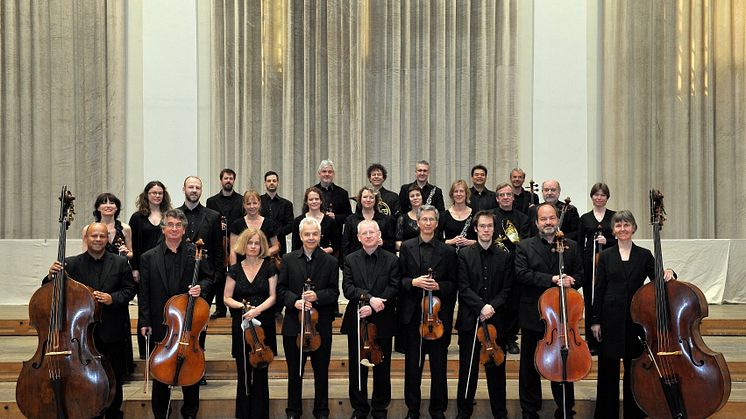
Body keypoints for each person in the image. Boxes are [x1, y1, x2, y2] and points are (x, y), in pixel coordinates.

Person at [590, 210, 676, 419]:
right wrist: (595, 321)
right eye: (618, 225)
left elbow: (658, 280)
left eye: (626, 225)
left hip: (636, 319)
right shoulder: (605, 256)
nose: (622, 229)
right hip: (610, 319)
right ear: (613, 230)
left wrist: (670, 272)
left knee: (634, 371)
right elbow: (598, 289)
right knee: (608, 371)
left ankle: (634, 413)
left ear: (634, 228)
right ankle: (605, 414)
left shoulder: (644, 255)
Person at [46, 223, 137, 419]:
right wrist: (50, 275)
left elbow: (130, 290)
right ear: (86, 238)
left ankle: (113, 414)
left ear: (107, 239)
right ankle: (88, 412)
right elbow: (51, 291)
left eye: (102, 236)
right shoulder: (70, 264)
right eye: (93, 236)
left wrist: (112, 298)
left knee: (114, 379)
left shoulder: (120, 263)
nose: (97, 239)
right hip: (81, 336)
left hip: (112, 332)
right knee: (84, 379)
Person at [138, 209, 214, 419]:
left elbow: (209, 277)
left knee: (191, 372)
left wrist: (201, 288)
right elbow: (143, 291)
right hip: (161, 324)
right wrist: (144, 320)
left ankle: (190, 413)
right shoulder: (148, 257)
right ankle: (161, 414)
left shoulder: (195, 253)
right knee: (161, 373)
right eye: (170, 225)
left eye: (178, 225)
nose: (174, 229)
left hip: (189, 323)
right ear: (163, 229)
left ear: (184, 229)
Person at [515, 203, 584, 419]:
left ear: (557, 220)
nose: (548, 223)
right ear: (536, 222)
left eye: (552, 218)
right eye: (543, 219)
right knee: (529, 367)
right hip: (534, 315)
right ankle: (529, 410)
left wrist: (573, 280)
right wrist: (552, 279)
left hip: (562, 318)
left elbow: (581, 275)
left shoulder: (570, 245)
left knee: (562, 362)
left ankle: (565, 409)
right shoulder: (524, 246)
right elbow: (522, 274)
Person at [398, 205, 458, 419]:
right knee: (413, 368)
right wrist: (413, 282)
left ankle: (437, 409)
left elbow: (455, 284)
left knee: (439, 368)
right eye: (424, 219)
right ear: (418, 222)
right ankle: (413, 409)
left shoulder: (448, 251)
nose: (428, 223)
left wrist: (439, 286)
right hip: (413, 317)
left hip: (438, 319)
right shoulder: (406, 247)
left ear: (437, 223)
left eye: (432, 219)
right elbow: (399, 281)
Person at [277, 217, 340, 419]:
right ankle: (293, 411)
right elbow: (280, 289)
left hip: (320, 326)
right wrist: (295, 301)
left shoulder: (331, 261)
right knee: (295, 373)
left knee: (321, 372)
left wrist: (318, 296)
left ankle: (321, 411)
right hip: (293, 326)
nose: (311, 238)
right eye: (307, 234)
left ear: (320, 236)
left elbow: (334, 292)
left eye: (315, 234)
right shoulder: (288, 260)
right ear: (300, 236)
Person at [455, 211, 512, 419]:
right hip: (471, 320)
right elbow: (463, 286)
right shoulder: (464, 254)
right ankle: (464, 412)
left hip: (496, 320)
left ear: (493, 229)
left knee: (497, 370)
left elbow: (507, 289)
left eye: (490, 226)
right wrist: (481, 307)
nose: (486, 230)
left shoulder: (504, 255)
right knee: (467, 370)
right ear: (476, 228)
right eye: (482, 226)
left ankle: (500, 413)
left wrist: (491, 307)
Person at [341, 220, 400, 419]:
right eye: (363, 233)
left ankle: (380, 408)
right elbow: (348, 289)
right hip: (357, 319)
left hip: (383, 318)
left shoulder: (392, 259)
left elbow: (394, 287)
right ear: (358, 237)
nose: (368, 236)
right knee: (357, 368)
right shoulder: (349, 259)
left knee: (382, 367)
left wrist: (375, 304)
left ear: (379, 234)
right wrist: (369, 299)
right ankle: (359, 408)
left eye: (371, 232)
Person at [223, 227, 278, 419]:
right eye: (249, 243)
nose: (253, 246)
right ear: (243, 245)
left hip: (264, 322)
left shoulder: (270, 266)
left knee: (262, 371)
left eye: (256, 243)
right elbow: (226, 298)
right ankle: (244, 414)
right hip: (242, 322)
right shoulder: (235, 270)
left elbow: (273, 296)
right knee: (243, 371)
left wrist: (257, 310)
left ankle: (260, 414)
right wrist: (243, 307)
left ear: (261, 245)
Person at [129, 180, 172, 361]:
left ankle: (166, 345)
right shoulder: (137, 217)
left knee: (165, 307)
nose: (157, 196)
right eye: (153, 192)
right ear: (146, 195)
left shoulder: (169, 216)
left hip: (165, 270)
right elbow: (134, 246)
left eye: (160, 193)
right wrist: (135, 269)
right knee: (146, 308)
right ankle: (145, 349)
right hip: (144, 269)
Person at [491, 182, 531, 355]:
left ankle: (511, 339)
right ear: (497, 198)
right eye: (502, 195)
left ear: (513, 197)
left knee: (514, 305)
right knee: (496, 304)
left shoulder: (523, 218)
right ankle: (496, 338)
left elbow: (525, 244)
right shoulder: (490, 216)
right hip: (494, 267)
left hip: (515, 267)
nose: (506, 197)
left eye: (508, 194)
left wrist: (510, 239)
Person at [578, 183, 616, 354]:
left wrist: (607, 241)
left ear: (607, 197)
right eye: (596, 195)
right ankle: (591, 341)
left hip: (609, 262)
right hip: (589, 262)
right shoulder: (585, 218)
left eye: (602, 195)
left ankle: (606, 337)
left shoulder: (614, 216)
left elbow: (620, 239)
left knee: (606, 298)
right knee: (590, 299)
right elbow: (579, 243)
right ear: (591, 197)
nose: (599, 198)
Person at [206, 168, 244, 319]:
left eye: (231, 178)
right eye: (226, 178)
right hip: (218, 242)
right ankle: (220, 309)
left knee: (236, 273)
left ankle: (236, 306)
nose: (228, 181)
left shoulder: (241, 200)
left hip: (238, 242)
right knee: (220, 275)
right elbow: (209, 222)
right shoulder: (211, 201)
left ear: (234, 180)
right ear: (221, 180)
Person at [341, 186, 395, 259]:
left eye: (372, 197)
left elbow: (391, 243)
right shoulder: (351, 220)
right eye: (365, 197)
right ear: (360, 199)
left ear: (376, 200)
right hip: (356, 261)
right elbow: (345, 244)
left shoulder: (386, 219)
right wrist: (345, 264)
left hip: (380, 260)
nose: (368, 200)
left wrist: (383, 243)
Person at [229, 189, 281, 263]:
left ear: (259, 203)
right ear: (244, 205)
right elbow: (233, 251)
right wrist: (233, 271)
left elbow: (276, 246)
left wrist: (264, 253)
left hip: (264, 267)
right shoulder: (236, 225)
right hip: (242, 267)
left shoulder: (270, 224)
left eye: (255, 203)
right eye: (248, 204)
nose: (252, 206)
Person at [290, 187, 341, 255]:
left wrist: (324, 251)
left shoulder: (330, 221)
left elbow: (336, 244)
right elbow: (295, 246)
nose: (314, 202)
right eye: (311, 199)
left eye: (317, 199)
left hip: (324, 259)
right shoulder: (298, 221)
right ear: (306, 202)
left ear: (321, 201)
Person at [82, 193, 133, 260]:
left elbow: (130, 254)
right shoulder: (88, 229)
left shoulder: (125, 228)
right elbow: (85, 254)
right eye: (104, 203)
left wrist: (126, 253)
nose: (108, 206)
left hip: (118, 268)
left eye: (112, 203)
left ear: (116, 208)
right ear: (98, 208)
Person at [260, 170, 295, 255]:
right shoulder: (258, 202)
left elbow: (290, 225)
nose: (271, 183)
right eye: (269, 181)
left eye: (274, 181)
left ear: (278, 183)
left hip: (280, 244)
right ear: (265, 183)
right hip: (260, 242)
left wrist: (275, 233)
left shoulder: (287, 204)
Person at [314, 159, 352, 232]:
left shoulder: (342, 193)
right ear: (319, 174)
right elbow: (306, 213)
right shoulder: (311, 192)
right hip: (315, 232)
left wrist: (336, 217)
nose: (327, 174)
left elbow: (349, 216)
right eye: (324, 171)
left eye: (330, 172)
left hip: (336, 235)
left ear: (333, 174)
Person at [438, 180, 477, 251]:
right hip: (450, 256)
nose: (459, 194)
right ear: (452, 194)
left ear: (466, 194)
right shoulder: (444, 215)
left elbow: (482, 239)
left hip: (471, 256)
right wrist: (451, 241)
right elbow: (436, 239)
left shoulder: (475, 214)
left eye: (461, 191)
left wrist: (469, 242)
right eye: (456, 191)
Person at [395, 184, 422, 250]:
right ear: (409, 199)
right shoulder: (402, 218)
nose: (415, 198)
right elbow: (397, 242)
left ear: (422, 197)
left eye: (418, 195)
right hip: (408, 255)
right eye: (412, 196)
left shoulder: (429, 216)